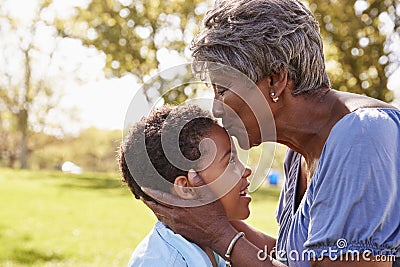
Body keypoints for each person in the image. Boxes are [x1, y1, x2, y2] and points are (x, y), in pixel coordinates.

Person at [142, 0, 400, 266]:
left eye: (222, 90)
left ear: (275, 80)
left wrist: (220, 235)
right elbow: (296, 259)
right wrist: (209, 217)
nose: (217, 109)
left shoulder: (362, 136)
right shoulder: (298, 155)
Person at [118, 104, 254, 267]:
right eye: (230, 161)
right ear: (187, 188)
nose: (246, 170)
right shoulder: (163, 262)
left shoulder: (208, 244)